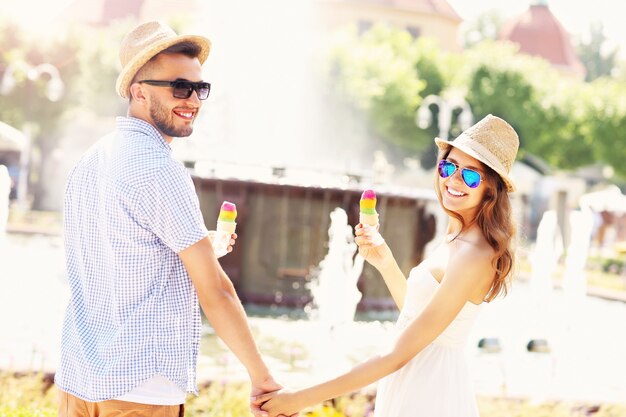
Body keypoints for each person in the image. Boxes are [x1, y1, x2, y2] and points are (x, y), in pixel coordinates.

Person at [55, 21, 284, 416]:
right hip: (138, 390)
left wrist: (198, 246)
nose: (193, 100)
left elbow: (117, 252)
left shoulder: (93, 159)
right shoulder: (159, 168)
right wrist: (262, 377)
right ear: (138, 90)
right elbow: (217, 290)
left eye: (200, 89)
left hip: (79, 382)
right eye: (180, 87)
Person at [253, 114, 520, 417]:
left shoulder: (474, 253)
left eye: (471, 175)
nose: (454, 180)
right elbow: (418, 317)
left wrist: (300, 398)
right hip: (416, 380)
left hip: (431, 391)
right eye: (449, 166)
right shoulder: (457, 236)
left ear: (491, 189)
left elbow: (398, 354)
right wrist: (385, 261)